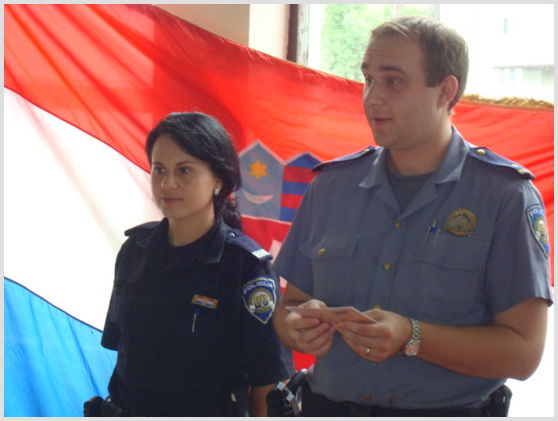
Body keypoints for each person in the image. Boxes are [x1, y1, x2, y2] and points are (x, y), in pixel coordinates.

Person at [272, 16, 553, 416]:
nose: (372, 98)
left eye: (393, 81)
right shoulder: (331, 187)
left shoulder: (503, 196)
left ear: (445, 91)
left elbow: (523, 353)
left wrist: (413, 335)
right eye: (368, 79)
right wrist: (297, 326)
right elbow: (289, 307)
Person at [94, 112, 294, 416]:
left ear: (218, 180)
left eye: (184, 170)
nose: (167, 183)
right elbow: (122, 349)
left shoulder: (246, 268)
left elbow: (268, 382)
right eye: (159, 169)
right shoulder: (135, 250)